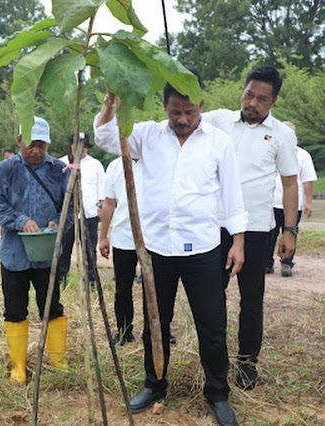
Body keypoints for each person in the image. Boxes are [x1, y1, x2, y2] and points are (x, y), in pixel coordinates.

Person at [94, 77, 246, 425]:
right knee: (155, 321)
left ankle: (217, 393)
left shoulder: (219, 143)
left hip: (204, 249)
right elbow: (104, 136)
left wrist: (237, 242)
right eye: (176, 112)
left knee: (212, 323)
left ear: (202, 106)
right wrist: (110, 102)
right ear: (164, 107)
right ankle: (154, 384)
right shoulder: (146, 135)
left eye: (189, 112)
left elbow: (233, 197)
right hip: (157, 249)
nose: (182, 119)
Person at [202, 66, 299, 391]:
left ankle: (246, 363)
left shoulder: (282, 135)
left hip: (258, 228)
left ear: (273, 100)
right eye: (249, 94)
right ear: (241, 90)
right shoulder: (218, 121)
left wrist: (290, 230)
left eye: (262, 98)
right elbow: (187, 117)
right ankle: (214, 361)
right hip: (216, 225)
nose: (252, 103)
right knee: (212, 296)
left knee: (251, 298)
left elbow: (289, 184)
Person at [0, 116, 73, 384]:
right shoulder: (4, 171)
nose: (36, 151)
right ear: (19, 141)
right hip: (14, 256)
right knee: (15, 309)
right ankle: (19, 367)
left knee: (52, 306)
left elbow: (71, 207)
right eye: (30, 144)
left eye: (41, 145)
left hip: (47, 255)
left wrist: (58, 223)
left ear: (48, 143)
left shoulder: (61, 170)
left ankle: (58, 361)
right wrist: (20, 221)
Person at [98, 156, 142, 346]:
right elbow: (108, 203)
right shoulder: (115, 167)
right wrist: (103, 236)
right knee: (123, 287)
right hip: (124, 236)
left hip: (156, 237)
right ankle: (124, 330)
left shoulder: (158, 158)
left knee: (158, 287)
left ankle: (158, 329)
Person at [266, 121, 317, 277]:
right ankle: (267, 263)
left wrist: (308, 202)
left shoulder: (302, 155)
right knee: (269, 235)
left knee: (290, 233)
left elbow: (307, 180)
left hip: (293, 205)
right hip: (271, 202)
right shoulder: (269, 151)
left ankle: (287, 263)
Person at [58, 132, 105, 289]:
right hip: (68, 215)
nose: (81, 149)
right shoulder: (60, 164)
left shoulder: (96, 165)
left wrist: (100, 209)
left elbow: (102, 191)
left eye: (84, 146)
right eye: (77, 145)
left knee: (90, 249)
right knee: (64, 248)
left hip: (89, 214)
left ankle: (91, 280)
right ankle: (61, 278)